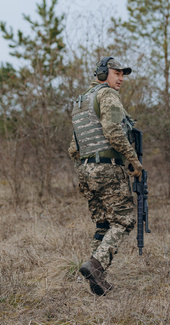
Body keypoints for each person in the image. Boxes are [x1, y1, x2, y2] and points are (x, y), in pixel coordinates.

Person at [68, 57, 143, 296]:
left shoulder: (81, 101)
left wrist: (88, 168)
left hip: (85, 170)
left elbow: (73, 147)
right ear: (102, 73)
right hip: (108, 168)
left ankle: (96, 279)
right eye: (116, 73)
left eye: (123, 74)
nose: (121, 78)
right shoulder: (107, 95)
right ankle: (96, 266)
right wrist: (133, 160)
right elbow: (112, 131)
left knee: (102, 223)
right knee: (123, 220)